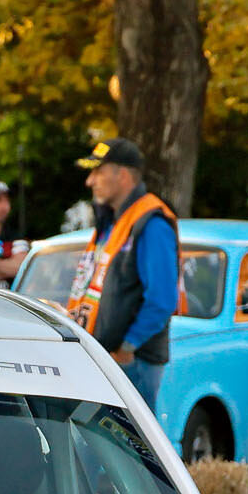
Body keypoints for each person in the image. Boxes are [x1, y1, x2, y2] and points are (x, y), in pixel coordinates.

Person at [66, 137, 177, 412]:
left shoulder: (151, 223)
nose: (90, 181)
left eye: (98, 172)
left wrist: (127, 347)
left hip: (132, 362)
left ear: (123, 175)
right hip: (106, 358)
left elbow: (162, 299)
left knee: (130, 440)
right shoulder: (113, 222)